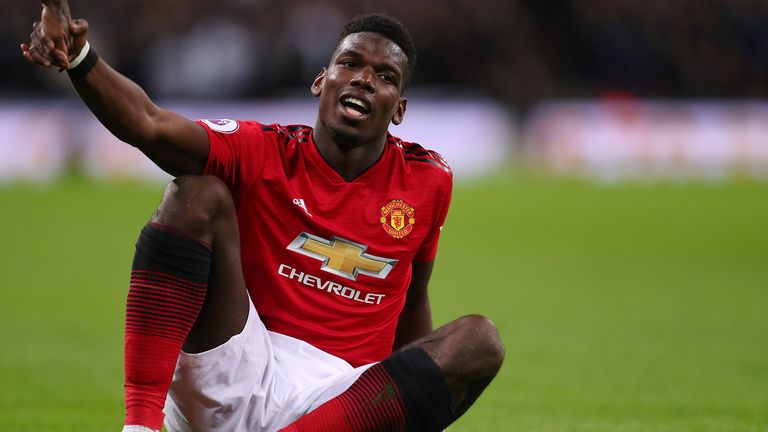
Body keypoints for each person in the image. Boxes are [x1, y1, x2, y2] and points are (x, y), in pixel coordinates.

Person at [22, 1, 505, 431]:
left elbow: (411, 296)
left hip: (338, 403)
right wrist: (81, 59)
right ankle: (142, 425)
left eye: (385, 76)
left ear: (398, 109)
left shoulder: (428, 181)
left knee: (480, 339)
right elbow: (150, 125)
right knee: (196, 193)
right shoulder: (261, 150)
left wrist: (405, 404)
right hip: (238, 372)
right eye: (350, 63)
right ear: (322, 81)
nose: (363, 78)